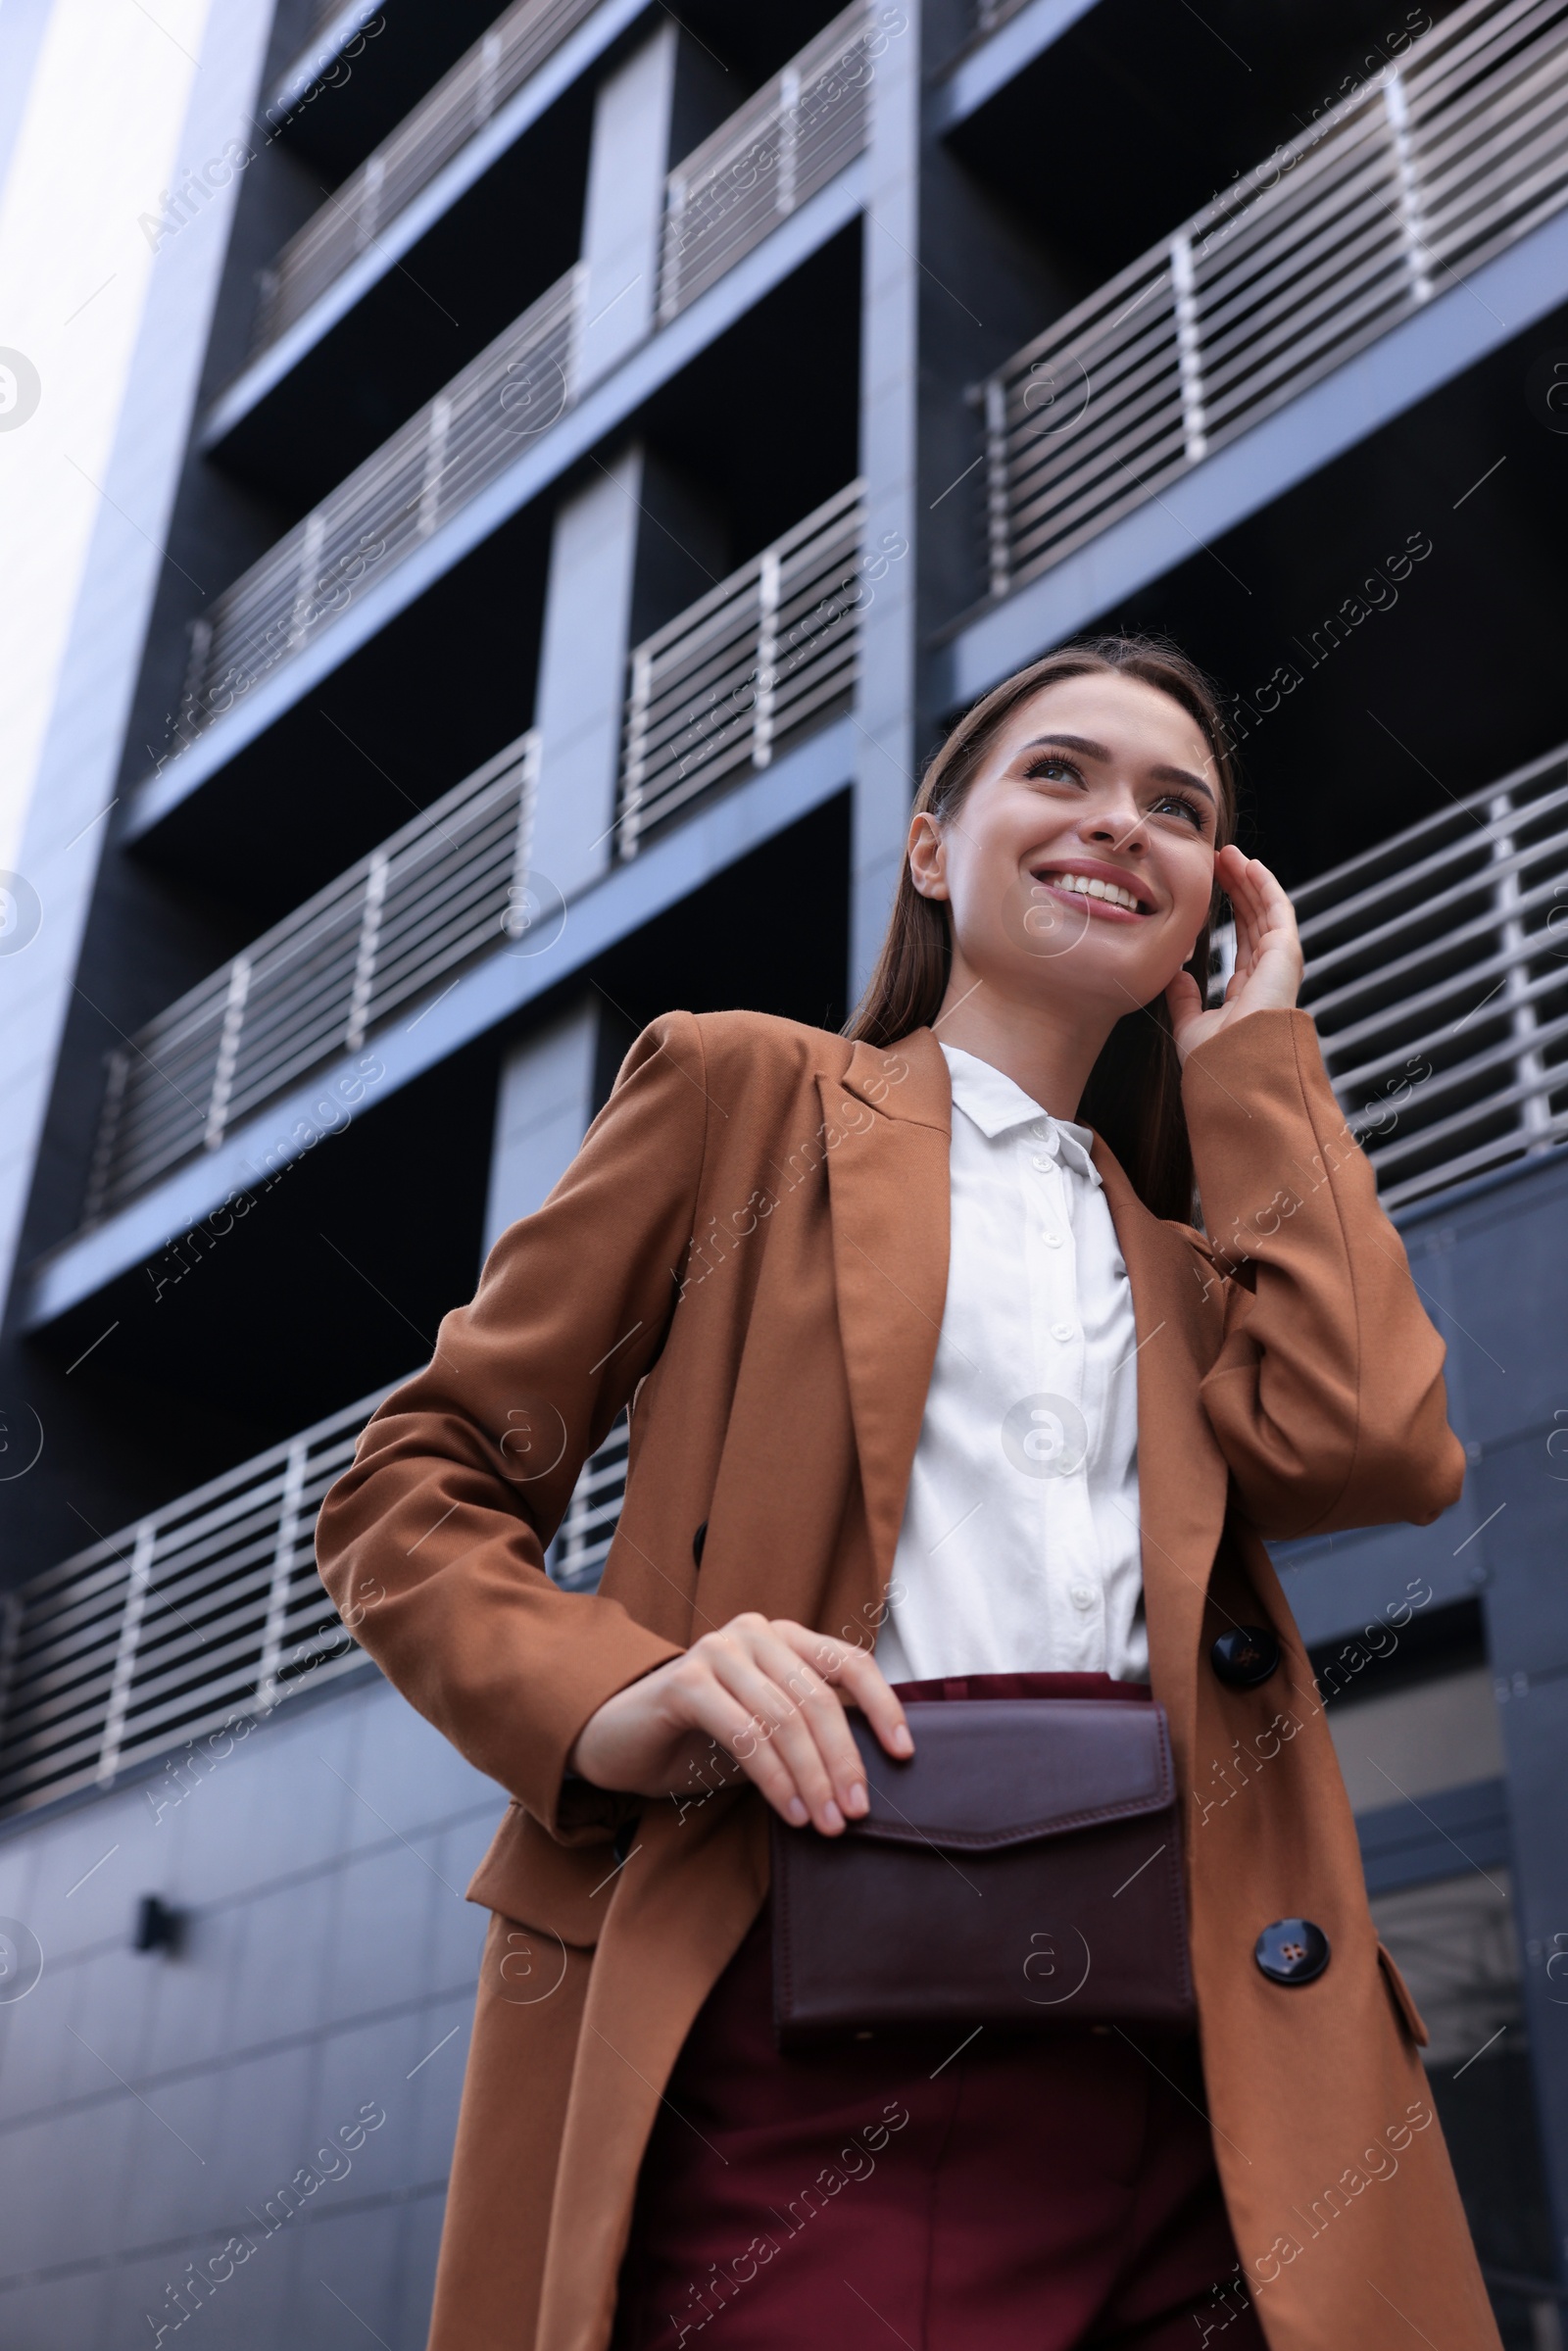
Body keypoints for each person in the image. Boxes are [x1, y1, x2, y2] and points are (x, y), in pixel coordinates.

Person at [317, 636, 1501, 2351]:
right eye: (1061, 774)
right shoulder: (740, 1095)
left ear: (1206, 906)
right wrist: (620, 1692)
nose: (1120, 824)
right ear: (935, 849)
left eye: (1177, 808)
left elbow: (1379, 1447)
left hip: (1209, 2075)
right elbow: (407, 1492)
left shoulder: (1191, 1262)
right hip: (805, 2028)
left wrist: (1260, 1063)